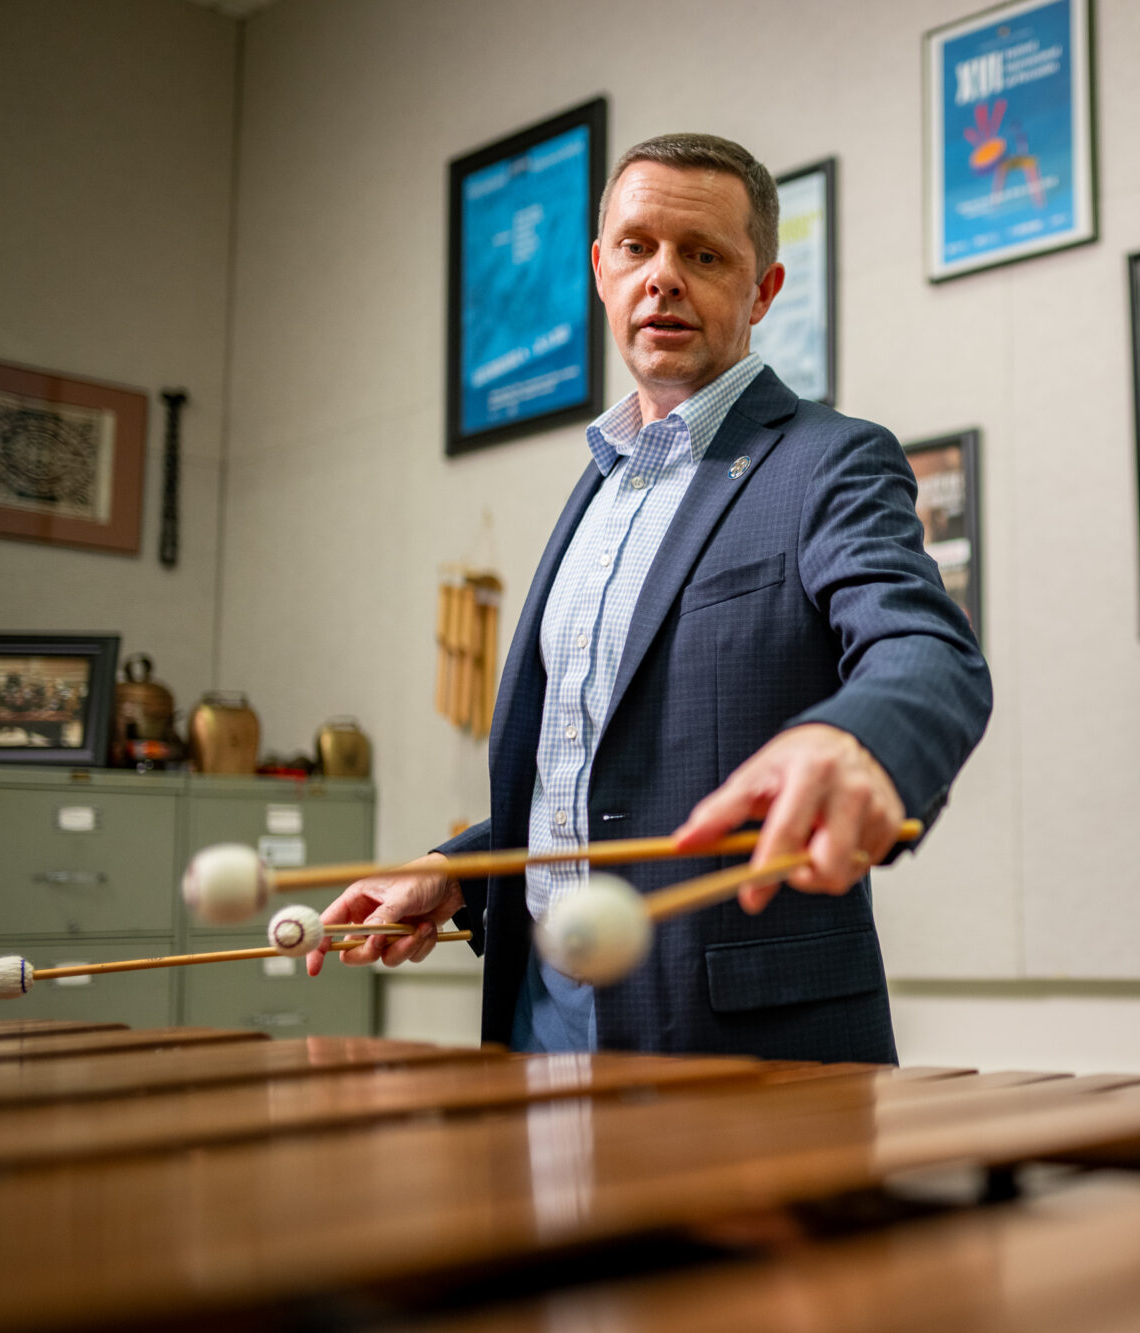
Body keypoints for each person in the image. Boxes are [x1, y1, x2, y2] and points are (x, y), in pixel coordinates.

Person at [311, 133, 991, 1063]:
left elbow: (924, 647)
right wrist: (460, 872)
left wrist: (856, 739)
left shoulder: (830, 460)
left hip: (733, 1035)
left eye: (703, 255)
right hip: (536, 1013)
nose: (663, 277)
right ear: (600, 269)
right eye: (637, 247)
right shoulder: (597, 484)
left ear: (763, 291)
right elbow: (596, 770)